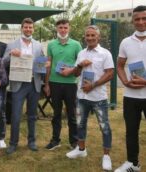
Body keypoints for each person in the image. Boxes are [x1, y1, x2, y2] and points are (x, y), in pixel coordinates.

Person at [64, 25, 114, 171]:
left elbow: (110, 73)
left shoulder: (105, 53)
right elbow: (76, 74)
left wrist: (93, 85)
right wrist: (80, 65)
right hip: (82, 96)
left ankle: (106, 155)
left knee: (104, 127)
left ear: (98, 37)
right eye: (88, 35)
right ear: (85, 37)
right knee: (80, 124)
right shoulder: (81, 53)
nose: (90, 38)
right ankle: (81, 150)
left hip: (99, 97)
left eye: (93, 35)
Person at [3, 18, 44, 154]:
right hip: (18, 84)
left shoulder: (38, 45)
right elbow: (3, 62)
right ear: (22, 28)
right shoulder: (12, 44)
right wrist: (10, 54)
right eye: (26, 27)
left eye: (30, 27)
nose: (28, 29)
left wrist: (45, 64)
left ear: (33, 29)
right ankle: (13, 143)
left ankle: (31, 142)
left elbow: (41, 64)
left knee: (32, 115)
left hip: (34, 83)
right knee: (15, 115)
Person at [115, 5, 146, 172]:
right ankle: (133, 164)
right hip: (131, 96)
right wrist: (125, 81)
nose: (141, 22)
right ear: (132, 21)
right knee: (131, 132)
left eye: (144, 18)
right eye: (137, 19)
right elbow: (119, 65)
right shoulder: (126, 42)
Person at [44, 19, 81, 150]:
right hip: (54, 83)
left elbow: (80, 65)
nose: (63, 30)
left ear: (69, 28)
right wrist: (46, 84)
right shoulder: (51, 45)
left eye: (65, 27)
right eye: (60, 27)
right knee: (56, 114)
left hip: (71, 83)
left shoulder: (76, 45)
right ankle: (55, 140)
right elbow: (48, 65)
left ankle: (74, 141)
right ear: (56, 29)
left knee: (71, 114)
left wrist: (71, 71)